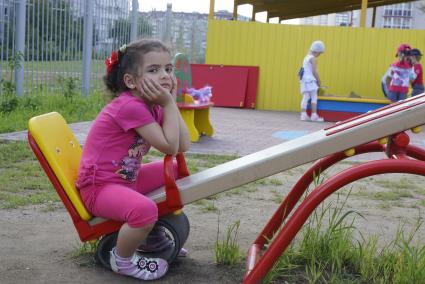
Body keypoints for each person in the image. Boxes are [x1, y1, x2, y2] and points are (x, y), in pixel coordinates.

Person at [76, 39, 190, 281]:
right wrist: (169, 102)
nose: (164, 76)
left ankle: (151, 238)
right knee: (145, 208)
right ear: (130, 81)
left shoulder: (154, 106)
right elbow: (169, 146)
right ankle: (123, 259)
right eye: (153, 70)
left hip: (126, 180)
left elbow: (182, 146)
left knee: (177, 170)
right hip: (99, 188)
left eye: (168, 69)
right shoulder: (129, 106)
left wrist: (171, 102)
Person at [299, 40, 325, 122]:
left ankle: (303, 115)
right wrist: (319, 81)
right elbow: (314, 72)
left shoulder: (306, 57)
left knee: (305, 97)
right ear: (317, 51)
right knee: (314, 97)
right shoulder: (313, 59)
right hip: (311, 80)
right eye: (320, 53)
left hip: (304, 80)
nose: (319, 55)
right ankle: (314, 115)